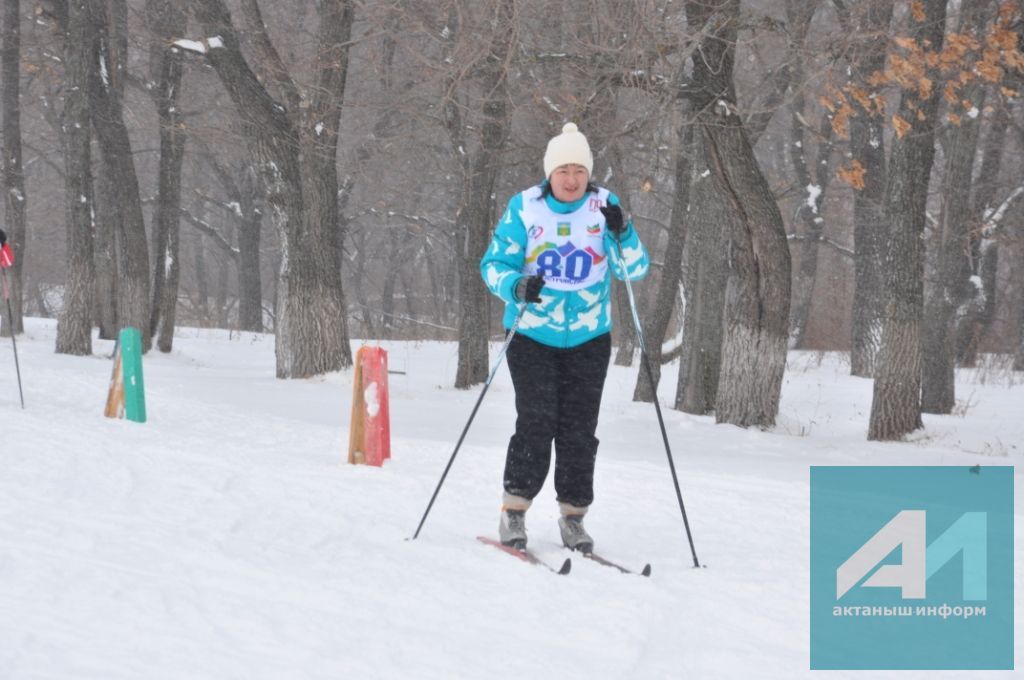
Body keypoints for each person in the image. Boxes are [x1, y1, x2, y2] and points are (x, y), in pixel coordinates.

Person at [479, 122, 649, 553]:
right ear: (549, 173)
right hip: (533, 334)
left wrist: (622, 231)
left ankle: (574, 518)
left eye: (579, 170)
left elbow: (635, 269)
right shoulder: (525, 207)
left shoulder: (604, 205)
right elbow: (493, 264)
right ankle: (514, 511)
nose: (572, 179)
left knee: (579, 430)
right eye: (563, 171)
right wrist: (516, 286)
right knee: (536, 421)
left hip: (590, 338)